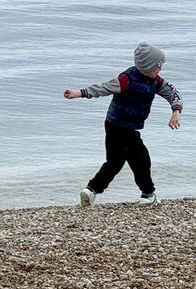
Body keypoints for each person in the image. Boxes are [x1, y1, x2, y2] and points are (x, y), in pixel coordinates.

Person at [63, 43, 183, 207]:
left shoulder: (156, 81)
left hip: (116, 125)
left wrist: (176, 111)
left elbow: (173, 93)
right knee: (141, 159)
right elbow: (103, 88)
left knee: (114, 163)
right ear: (147, 66)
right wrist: (79, 93)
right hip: (120, 127)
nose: (160, 70)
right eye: (158, 67)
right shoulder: (126, 79)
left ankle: (91, 191)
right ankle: (148, 194)